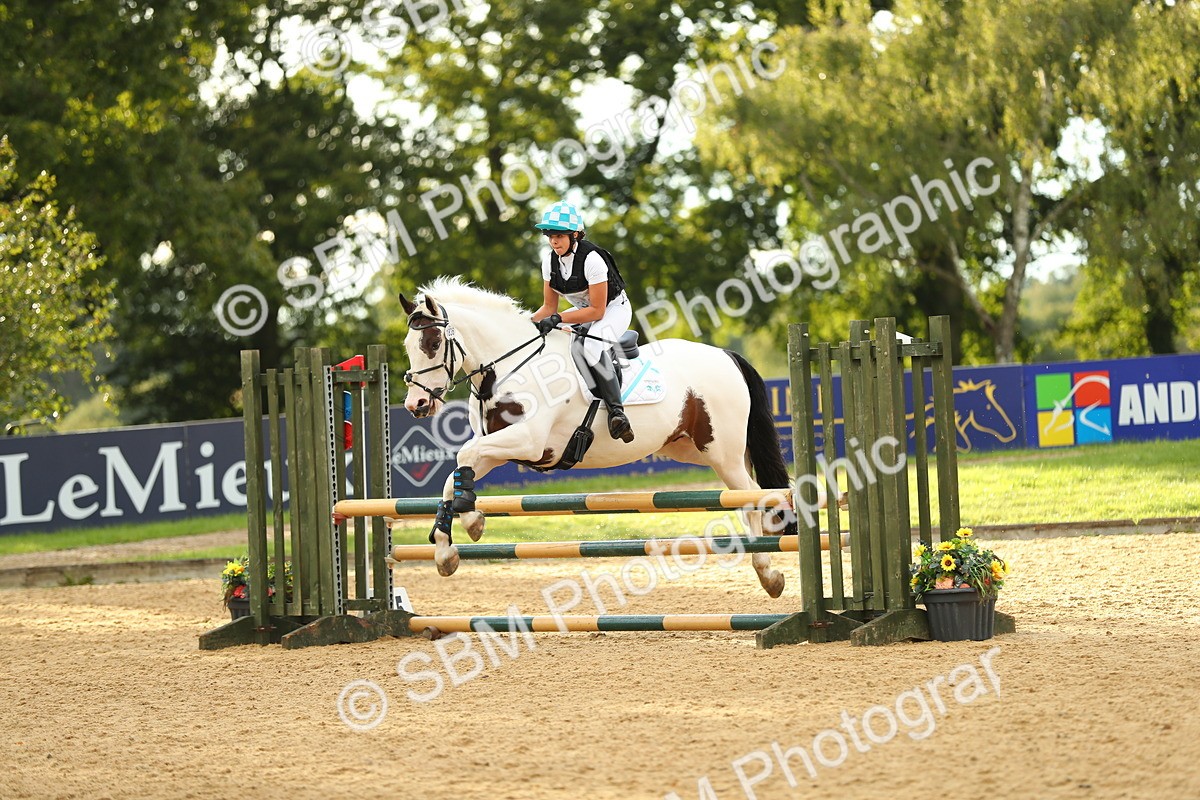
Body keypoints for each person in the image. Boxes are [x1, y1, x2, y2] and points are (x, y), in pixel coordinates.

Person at [530, 200, 635, 442]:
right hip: (583, 311)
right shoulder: (549, 261)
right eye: (549, 236)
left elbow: (597, 311)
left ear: (574, 235)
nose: (553, 241)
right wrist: (525, 323)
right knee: (564, 344)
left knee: (591, 346)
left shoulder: (592, 259)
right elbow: (548, 307)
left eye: (558, 236)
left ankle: (617, 413)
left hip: (613, 310)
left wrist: (558, 318)